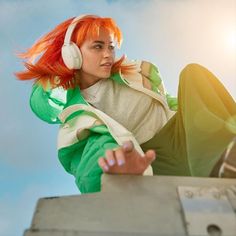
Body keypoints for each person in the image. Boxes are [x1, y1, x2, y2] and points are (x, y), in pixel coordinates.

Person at [15, 14, 236, 194]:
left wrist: (196, 109)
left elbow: (166, 102)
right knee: (101, 148)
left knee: (193, 73)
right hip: (150, 158)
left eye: (111, 47)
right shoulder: (77, 111)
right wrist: (113, 172)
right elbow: (50, 112)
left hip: (187, 140)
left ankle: (225, 163)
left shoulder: (131, 75)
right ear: (73, 54)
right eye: (97, 47)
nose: (107, 55)